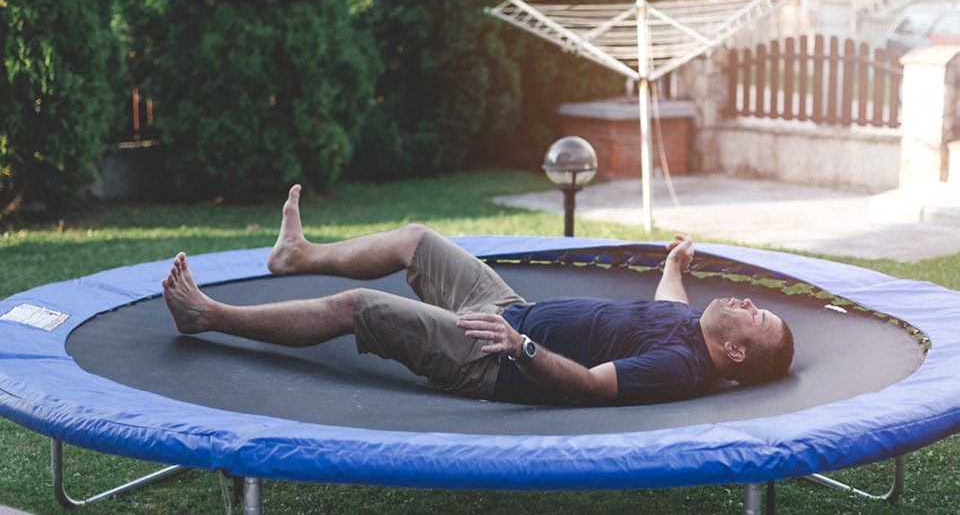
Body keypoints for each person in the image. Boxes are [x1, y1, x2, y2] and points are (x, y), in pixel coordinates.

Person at [162, 184, 794, 406]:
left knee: (356, 308)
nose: (744, 302)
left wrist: (520, 348)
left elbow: (594, 387)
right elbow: (667, 299)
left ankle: (207, 315)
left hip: (493, 359)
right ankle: (296, 256)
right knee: (415, 239)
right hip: (508, 311)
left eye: (755, 315)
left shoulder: (680, 367)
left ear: (736, 354)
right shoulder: (689, 331)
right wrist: (676, 262)